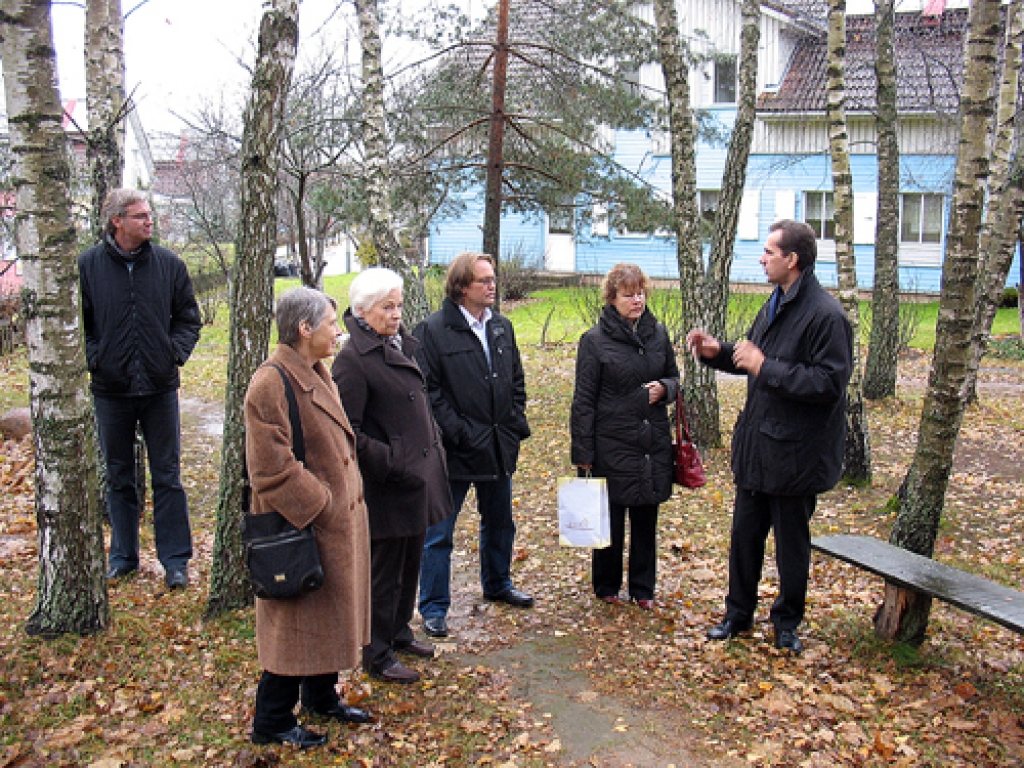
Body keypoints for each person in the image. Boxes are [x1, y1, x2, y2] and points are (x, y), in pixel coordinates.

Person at [686, 220, 853, 654]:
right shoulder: (776, 302)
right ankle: (737, 615)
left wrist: (766, 367)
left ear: (792, 260)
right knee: (744, 539)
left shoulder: (826, 316)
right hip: (758, 448)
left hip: (797, 456)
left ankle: (786, 624)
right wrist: (716, 352)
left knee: (791, 547)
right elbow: (751, 358)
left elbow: (828, 385)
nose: (761, 258)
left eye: (769, 251)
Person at [245, 287, 372, 748]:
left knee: (329, 616)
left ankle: (321, 697)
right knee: (294, 627)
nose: (338, 331)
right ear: (304, 329)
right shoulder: (270, 382)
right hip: (302, 528)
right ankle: (272, 720)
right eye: (330, 324)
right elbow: (269, 468)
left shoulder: (317, 371)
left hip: (334, 525)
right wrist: (323, 504)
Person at [332, 268, 453, 685]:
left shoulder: (400, 344)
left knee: (410, 560)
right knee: (384, 572)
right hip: (387, 485)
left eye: (399, 305)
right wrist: (392, 461)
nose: (396, 313)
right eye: (387, 306)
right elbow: (348, 431)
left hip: (417, 479)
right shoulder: (352, 361)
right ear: (363, 311)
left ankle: (400, 631)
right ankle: (377, 651)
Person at [78, 189, 202, 589]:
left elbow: (188, 318)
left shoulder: (168, 265)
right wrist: (97, 357)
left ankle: (175, 561)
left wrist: (172, 354)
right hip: (110, 390)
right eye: (140, 216)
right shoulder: (89, 266)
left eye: (150, 215)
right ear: (116, 221)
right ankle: (123, 557)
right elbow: (78, 325)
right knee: (118, 477)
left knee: (167, 474)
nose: (150, 221)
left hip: (159, 387)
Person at [414, 251, 533, 638]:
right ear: (462, 286)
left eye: (493, 278)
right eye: (484, 280)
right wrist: (462, 432)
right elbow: (428, 392)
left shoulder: (501, 327)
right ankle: (433, 606)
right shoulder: (432, 330)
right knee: (439, 532)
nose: (492, 285)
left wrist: (512, 423)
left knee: (500, 523)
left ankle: (498, 583)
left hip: (498, 445)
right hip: (455, 451)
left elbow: (515, 379)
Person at [570, 263, 679, 610]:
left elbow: (675, 378)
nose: (636, 301)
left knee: (647, 518)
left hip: (651, 443)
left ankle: (643, 589)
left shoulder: (658, 334)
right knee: (611, 519)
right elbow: (583, 400)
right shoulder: (594, 341)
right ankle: (606, 585)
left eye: (640, 293)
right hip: (611, 442)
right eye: (628, 295)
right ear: (612, 298)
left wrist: (665, 388)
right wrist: (583, 451)